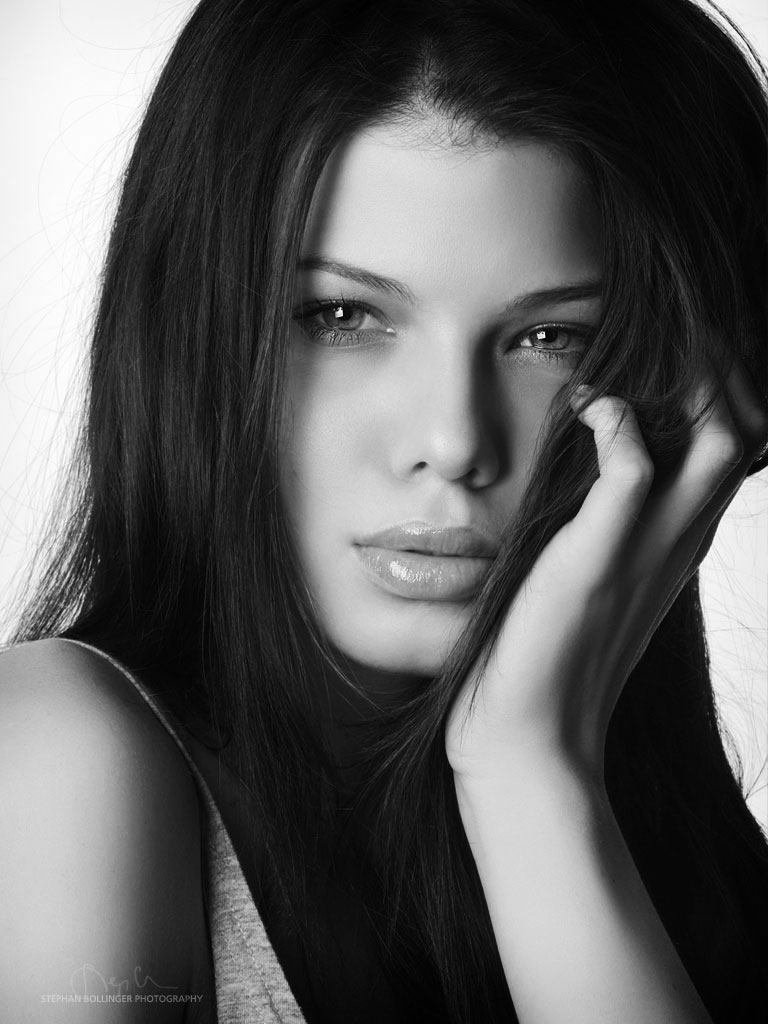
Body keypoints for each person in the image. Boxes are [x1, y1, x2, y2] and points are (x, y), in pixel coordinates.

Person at [1, 0, 767, 1020]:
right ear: (192, 336)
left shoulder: (677, 853)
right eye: (342, 315)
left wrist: (530, 773)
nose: (452, 441)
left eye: (554, 337)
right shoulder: (61, 759)